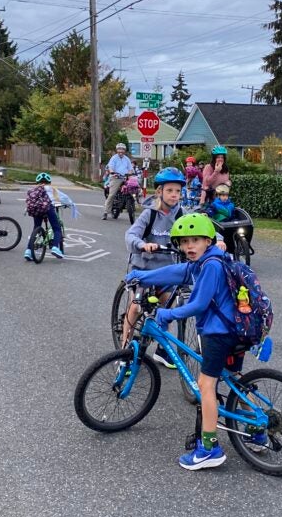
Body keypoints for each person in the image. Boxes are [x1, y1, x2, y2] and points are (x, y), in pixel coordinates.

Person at [126, 213, 261, 470]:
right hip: (234, 330)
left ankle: (209, 449)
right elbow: (176, 272)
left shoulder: (211, 266)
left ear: (209, 240)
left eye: (196, 240)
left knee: (205, 385)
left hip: (219, 334)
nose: (190, 246)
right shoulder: (203, 263)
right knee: (234, 380)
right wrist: (141, 277)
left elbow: (198, 304)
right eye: (185, 241)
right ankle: (258, 430)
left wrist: (168, 313)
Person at [122, 167, 188, 367]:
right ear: (160, 192)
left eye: (178, 191)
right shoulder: (149, 214)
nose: (174, 195)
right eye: (170, 190)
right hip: (144, 270)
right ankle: (124, 352)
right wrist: (143, 245)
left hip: (167, 271)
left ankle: (161, 349)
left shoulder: (181, 214)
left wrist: (217, 240)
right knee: (135, 307)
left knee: (166, 305)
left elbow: (202, 226)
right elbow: (131, 235)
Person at [25, 172, 73, 261]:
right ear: (49, 182)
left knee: (36, 228)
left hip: (37, 210)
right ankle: (55, 247)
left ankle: (28, 251)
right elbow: (64, 198)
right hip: (48, 208)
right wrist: (69, 204)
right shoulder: (52, 189)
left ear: (37, 182)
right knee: (57, 228)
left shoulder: (34, 190)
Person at [103, 143, 135, 220]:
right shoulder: (114, 158)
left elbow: (130, 169)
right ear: (117, 150)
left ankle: (131, 204)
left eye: (122, 150)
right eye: (119, 150)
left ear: (124, 151)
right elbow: (110, 167)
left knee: (132, 188)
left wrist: (130, 173)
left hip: (125, 178)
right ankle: (105, 212)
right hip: (116, 177)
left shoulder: (127, 159)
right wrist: (112, 172)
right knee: (112, 194)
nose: (121, 151)